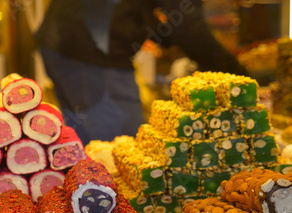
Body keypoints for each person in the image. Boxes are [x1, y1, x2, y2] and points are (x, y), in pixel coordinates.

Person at [35, 0, 250, 145]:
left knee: (89, 143)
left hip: (69, 42)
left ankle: (86, 205)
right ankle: (111, 209)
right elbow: (188, 25)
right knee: (124, 149)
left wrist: (162, 34)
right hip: (91, 52)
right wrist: (242, 78)